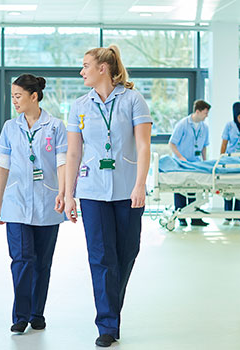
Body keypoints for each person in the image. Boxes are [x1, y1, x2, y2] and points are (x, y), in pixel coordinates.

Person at [63, 45, 152, 348]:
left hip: (128, 190)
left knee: (126, 253)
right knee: (101, 257)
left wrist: (140, 185)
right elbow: (74, 152)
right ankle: (107, 324)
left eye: (85, 65)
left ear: (103, 68)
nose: (81, 71)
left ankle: (111, 310)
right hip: (91, 191)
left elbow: (143, 147)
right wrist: (69, 193)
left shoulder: (133, 100)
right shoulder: (79, 106)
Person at [0, 74, 67, 334]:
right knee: (22, 259)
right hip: (16, 203)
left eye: (18, 96)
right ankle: (21, 315)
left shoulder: (56, 126)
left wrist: (66, 194)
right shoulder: (10, 127)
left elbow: (62, 164)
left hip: (48, 203)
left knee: (42, 262)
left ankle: (37, 313)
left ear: (33, 96)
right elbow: (3, 167)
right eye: (12, 96)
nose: (14, 101)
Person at [169, 99, 211, 227]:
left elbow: (204, 146)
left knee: (195, 188)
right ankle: (181, 217)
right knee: (181, 189)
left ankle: (195, 218)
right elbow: (172, 144)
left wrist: (205, 161)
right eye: (205, 113)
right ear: (197, 112)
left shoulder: (205, 127)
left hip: (196, 163)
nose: (206, 116)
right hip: (182, 163)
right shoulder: (183, 124)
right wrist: (181, 157)